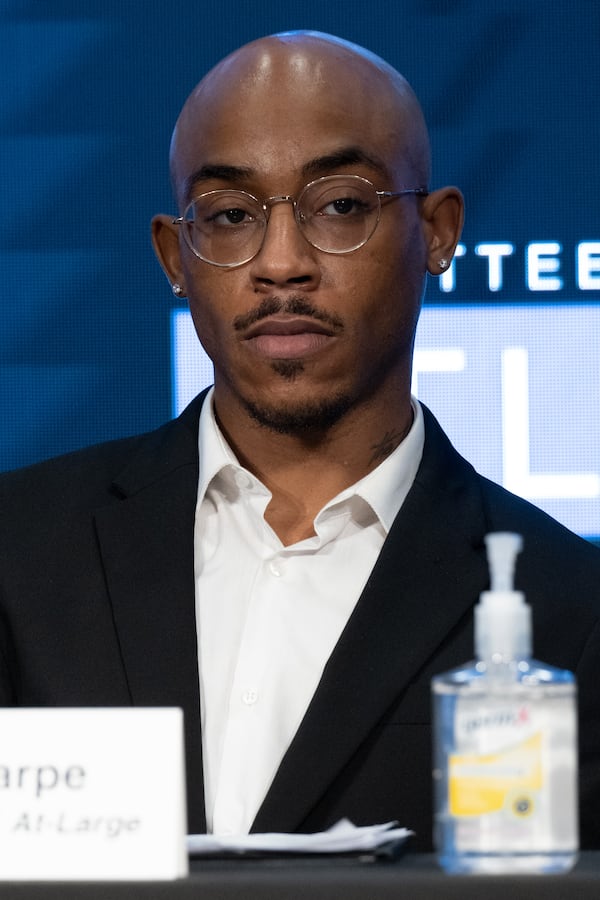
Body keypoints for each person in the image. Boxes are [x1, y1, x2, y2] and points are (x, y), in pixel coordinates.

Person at [1, 31, 599, 852]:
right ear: (176, 256)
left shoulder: (573, 609)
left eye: (341, 205)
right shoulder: (19, 551)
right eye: (231, 216)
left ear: (437, 232)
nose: (281, 263)